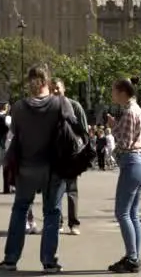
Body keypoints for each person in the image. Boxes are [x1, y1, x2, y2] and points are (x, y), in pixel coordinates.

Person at [0, 64, 79, 273]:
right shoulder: (61, 103)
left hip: (26, 168)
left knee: (20, 209)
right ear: (48, 82)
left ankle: (10, 259)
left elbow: (12, 137)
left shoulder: (19, 107)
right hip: (54, 169)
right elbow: (75, 135)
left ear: (29, 82)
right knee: (52, 212)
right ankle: (49, 261)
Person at [106, 77, 141, 273]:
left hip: (131, 163)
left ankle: (132, 258)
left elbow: (123, 142)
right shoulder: (137, 109)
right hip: (139, 162)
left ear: (123, 92)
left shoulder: (129, 112)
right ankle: (134, 256)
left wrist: (114, 127)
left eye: (114, 90)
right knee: (132, 214)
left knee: (122, 213)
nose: (112, 94)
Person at [53, 79, 88, 235]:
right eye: (52, 88)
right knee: (55, 191)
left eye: (57, 88)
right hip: (53, 154)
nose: (55, 91)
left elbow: (84, 130)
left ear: (64, 89)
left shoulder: (75, 106)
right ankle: (58, 222)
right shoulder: (47, 107)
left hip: (72, 154)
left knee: (72, 190)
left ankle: (74, 223)